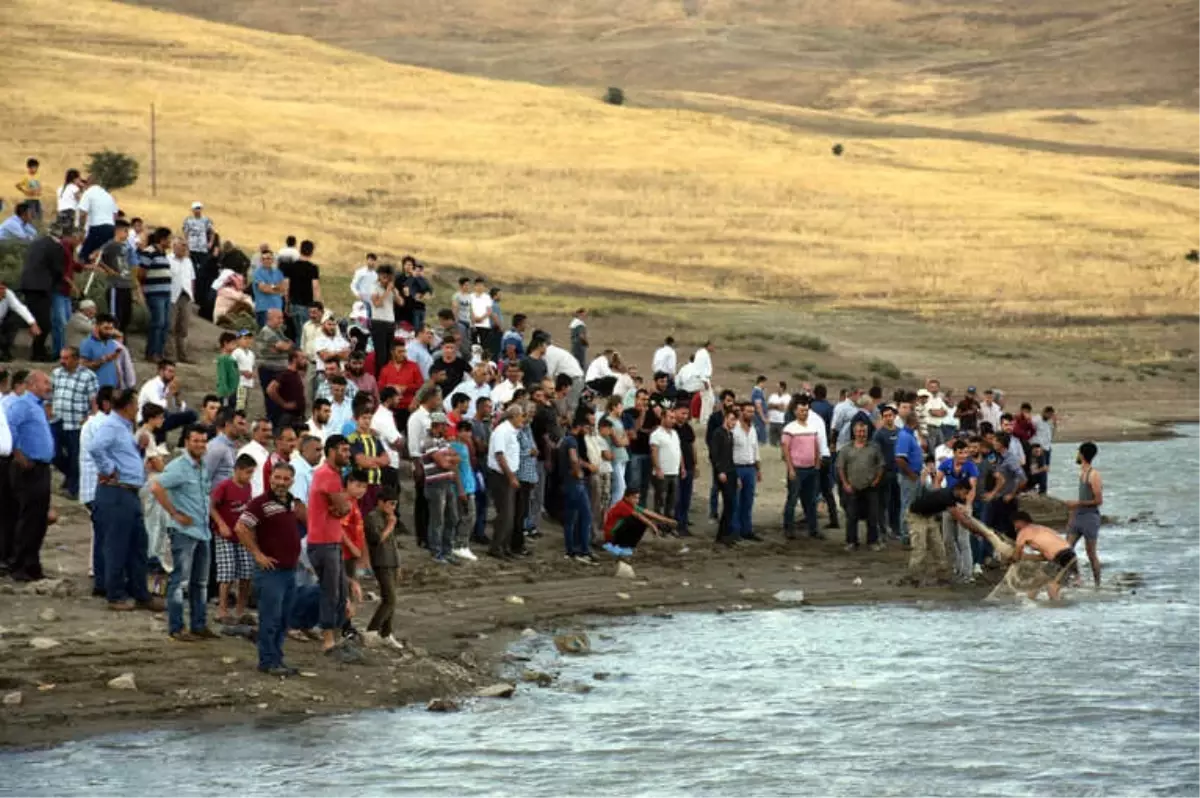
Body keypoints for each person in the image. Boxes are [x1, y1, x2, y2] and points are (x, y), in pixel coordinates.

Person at [88, 389, 165, 609]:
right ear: (127, 406)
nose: (137, 409)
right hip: (116, 492)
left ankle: (140, 592)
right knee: (117, 544)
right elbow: (96, 448)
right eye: (135, 404)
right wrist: (108, 468)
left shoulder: (124, 428)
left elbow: (124, 456)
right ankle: (115, 594)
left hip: (129, 491)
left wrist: (139, 450)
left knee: (138, 543)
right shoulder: (112, 426)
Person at [235, 461, 304, 676]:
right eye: (277, 478)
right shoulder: (260, 503)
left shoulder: (292, 503)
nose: (281, 483)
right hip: (271, 572)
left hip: (289, 569)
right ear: (270, 478)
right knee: (270, 617)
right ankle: (267, 661)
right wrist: (257, 554)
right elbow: (241, 527)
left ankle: (277, 658)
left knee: (283, 618)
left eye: (286, 479)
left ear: (292, 481)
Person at [152, 426, 214, 641]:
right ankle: (176, 627)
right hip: (184, 532)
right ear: (187, 442)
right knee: (180, 581)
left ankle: (198, 624)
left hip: (202, 530)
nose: (200, 445)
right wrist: (174, 513)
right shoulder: (179, 466)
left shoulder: (202, 466)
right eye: (196, 441)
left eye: (203, 441)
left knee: (200, 582)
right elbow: (156, 486)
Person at [307, 435, 356, 659]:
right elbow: (343, 508)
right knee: (330, 591)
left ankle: (333, 635)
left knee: (339, 591)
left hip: (330, 540)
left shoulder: (332, 475)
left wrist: (341, 506)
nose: (347, 454)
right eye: (343, 450)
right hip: (323, 542)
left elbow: (341, 507)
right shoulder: (327, 475)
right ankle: (327, 639)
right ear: (331, 451)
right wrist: (342, 505)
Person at [3, 371, 55, 581]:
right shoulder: (22, 404)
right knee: (28, 518)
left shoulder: (37, 406)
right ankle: (20, 565)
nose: (49, 387)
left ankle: (32, 564)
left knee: (38, 519)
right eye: (45, 383)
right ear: (32, 384)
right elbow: (8, 428)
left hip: (41, 468)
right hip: (28, 469)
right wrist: (18, 453)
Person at [210, 453, 257, 625]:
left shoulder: (248, 487)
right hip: (225, 535)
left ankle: (240, 609)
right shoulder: (225, 486)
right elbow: (212, 506)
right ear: (237, 470)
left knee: (246, 572)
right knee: (227, 571)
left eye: (251, 473)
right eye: (247, 472)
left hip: (241, 534)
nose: (249, 476)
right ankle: (222, 609)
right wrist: (221, 524)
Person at [50, 346, 98, 500]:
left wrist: (91, 417)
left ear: (76, 359)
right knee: (53, 453)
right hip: (57, 420)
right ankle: (71, 476)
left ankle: (73, 488)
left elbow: (94, 400)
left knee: (75, 456)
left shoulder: (88, 376)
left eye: (66, 358)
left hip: (77, 422)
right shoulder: (56, 374)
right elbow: (51, 394)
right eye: (61, 358)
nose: (62, 361)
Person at [781, 395, 830, 541]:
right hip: (797, 468)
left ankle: (813, 529)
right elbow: (786, 450)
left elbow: (816, 446)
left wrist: (816, 464)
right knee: (793, 499)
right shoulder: (790, 428)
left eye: (806, 410)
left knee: (811, 500)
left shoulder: (812, 427)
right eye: (802, 410)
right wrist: (790, 468)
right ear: (795, 411)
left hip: (811, 469)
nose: (805, 413)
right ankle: (788, 528)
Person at [18, 225, 68, 362]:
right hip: (41, 287)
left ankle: (38, 351)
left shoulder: (37, 243)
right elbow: (58, 269)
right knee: (44, 323)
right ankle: (37, 352)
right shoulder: (56, 247)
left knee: (36, 319)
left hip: (28, 284)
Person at [363, 486, 405, 650]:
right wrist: (390, 525)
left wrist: (399, 564)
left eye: (395, 504)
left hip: (392, 561)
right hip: (381, 562)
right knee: (390, 599)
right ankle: (372, 630)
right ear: (380, 502)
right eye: (390, 504)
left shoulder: (389, 517)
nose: (392, 508)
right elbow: (376, 539)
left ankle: (386, 633)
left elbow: (393, 544)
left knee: (392, 600)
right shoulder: (373, 517)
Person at [837, 418, 885, 551]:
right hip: (852, 488)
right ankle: (851, 542)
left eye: (864, 431)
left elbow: (881, 465)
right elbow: (840, 468)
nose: (861, 434)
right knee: (851, 516)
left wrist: (876, 480)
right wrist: (845, 484)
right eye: (859, 431)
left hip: (870, 488)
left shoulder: (874, 448)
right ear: (854, 432)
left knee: (872, 516)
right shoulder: (846, 449)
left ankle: (873, 542)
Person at [935, 439, 979, 582]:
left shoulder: (971, 467)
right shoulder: (946, 464)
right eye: (960, 453)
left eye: (966, 452)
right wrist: (940, 498)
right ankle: (956, 566)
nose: (964, 456)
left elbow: (972, 488)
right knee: (947, 539)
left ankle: (967, 573)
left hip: (964, 505)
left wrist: (967, 506)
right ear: (954, 453)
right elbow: (937, 481)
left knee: (963, 540)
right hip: (948, 504)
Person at [1010, 511, 1078, 600]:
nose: (1014, 526)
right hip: (1068, 556)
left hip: (1062, 557)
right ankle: (1030, 605)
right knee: (1036, 583)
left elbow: (1016, 556)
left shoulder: (1023, 532)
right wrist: (1027, 556)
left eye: (1015, 523)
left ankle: (1057, 610)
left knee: (1051, 588)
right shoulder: (1040, 528)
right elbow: (1046, 556)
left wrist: (1012, 558)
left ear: (1021, 521)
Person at [422, 412, 461, 564]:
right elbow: (444, 463)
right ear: (439, 425)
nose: (447, 429)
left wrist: (447, 459)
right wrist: (449, 459)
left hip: (446, 482)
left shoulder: (442, 442)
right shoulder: (428, 442)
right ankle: (437, 552)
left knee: (452, 517)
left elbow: (456, 458)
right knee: (437, 520)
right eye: (445, 425)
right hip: (435, 484)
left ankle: (447, 550)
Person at [559, 410, 598, 563]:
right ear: (580, 426)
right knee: (586, 516)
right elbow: (574, 459)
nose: (588, 430)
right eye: (587, 427)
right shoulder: (572, 441)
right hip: (574, 484)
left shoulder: (565, 439)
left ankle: (570, 551)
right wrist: (579, 473)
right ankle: (584, 550)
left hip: (566, 483)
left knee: (569, 520)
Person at [487, 405, 524, 559]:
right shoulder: (502, 431)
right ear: (513, 416)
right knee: (505, 514)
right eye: (521, 416)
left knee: (510, 514)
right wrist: (511, 476)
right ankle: (496, 547)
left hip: (508, 474)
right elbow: (500, 456)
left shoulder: (511, 431)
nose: (523, 419)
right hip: (501, 476)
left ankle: (504, 546)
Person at [1065, 441, 1103, 587]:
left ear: (1081, 454)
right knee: (1066, 550)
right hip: (1078, 516)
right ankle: (1075, 578)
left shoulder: (1094, 475)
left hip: (1090, 518)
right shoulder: (1082, 473)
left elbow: (1098, 500)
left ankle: (1097, 585)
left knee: (1091, 554)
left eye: (1078, 452)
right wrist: (1072, 515)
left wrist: (1077, 504)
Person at [137, 360, 199, 442]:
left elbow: (177, 409)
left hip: (160, 417)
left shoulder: (167, 386)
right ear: (161, 372)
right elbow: (159, 407)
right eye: (170, 371)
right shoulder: (151, 386)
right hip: (146, 420)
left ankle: (182, 444)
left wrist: (176, 395)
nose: (172, 375)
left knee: (192, 414)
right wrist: (170, 393)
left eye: (173, 372)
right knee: (164, 415)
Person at [603, 487, 677, 555]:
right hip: (611, 536)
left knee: (641, 521)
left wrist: (667, 520)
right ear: (626, 497)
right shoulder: (622, 505)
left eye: (638, 498)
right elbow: (638, 516)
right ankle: (621, 545)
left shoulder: (630, 504)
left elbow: (648, 512)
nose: (637, 500)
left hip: (615, 533)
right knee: (636, 520)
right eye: (634, 498)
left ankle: (628, 545)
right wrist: (652, 526)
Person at [137, 227, 174, 362]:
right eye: (169, 239)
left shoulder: (163, 253)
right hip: (154, 292)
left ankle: (159, 352)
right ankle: (152, 353)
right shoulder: (149, 252)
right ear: (162, 239)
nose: (171, 242)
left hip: (165, 292)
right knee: (158, 322)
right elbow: (141, 272)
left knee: (165, 324)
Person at [731, 402, 762, 541]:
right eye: (748, 411)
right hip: (737, 467)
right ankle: (735, 530)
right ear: (741, 412)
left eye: (753, 411)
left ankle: (747, 529)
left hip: (750, 468)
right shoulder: (734, 429)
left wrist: (758, 469)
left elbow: (756, 449)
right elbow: (729, 452)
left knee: (748, 500)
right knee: (735, 501)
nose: (751, 414)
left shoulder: (753, 429)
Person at [282, 240, 321, 343]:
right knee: (305, 335)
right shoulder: (313, 268)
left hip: (293, 304)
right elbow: (315, 287)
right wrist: (318, 305)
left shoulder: (290, 267)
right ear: (312, 252)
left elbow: (286, 286)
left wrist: (286, 303)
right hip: (307, 306)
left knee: (296, 334)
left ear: (300, 250)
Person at [648, 406, 683, 520]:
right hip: (663, 472)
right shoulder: (656, 434)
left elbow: (678, 450)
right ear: (663, 417)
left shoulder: (675, 433)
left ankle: (668, 525)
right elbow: (654, 452)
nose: (673, 420)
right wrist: (657, 469)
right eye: (670, 417)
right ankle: (659, 525)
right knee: (660, 501)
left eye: (674, 418)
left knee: (672, 501)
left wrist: (682, 467)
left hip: (674, 471)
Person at [709, 409, 738, 545]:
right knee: (728, 502)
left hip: (731, 471)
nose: (733, 422)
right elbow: (714, 454)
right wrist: (720, 471)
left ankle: (726, 533)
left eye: (735, 420)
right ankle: (721, 535)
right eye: (732, 419)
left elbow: (730, 457)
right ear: (726, 418)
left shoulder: (729, 434)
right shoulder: (718, 433)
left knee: (731, 504)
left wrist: (736, 476)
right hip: (723, 472)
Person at [166, 237, 196, 362]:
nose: (184, 248)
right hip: (172, 295)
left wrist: (192, 293)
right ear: (174, 246)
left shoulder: (188, 261)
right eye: (181, 245)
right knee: (170, 326)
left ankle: (182, 355)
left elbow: (192, 279)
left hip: (186, 295)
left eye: (185, 245)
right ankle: (169, 355)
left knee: (183, 328)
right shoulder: (168, 259)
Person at [264, 344, 305, 431]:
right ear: (294, 359)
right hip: (288, 418)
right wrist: (283, 404)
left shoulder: (295, 374)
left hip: (297, 417)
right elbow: (270, 389)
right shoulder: (286, 374)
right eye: (302, 358)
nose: (304, 361)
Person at [0, 282, 39, 363]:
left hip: (3, 320)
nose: (3, 291)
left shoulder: (7, 293)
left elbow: (19, 307)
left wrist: (33, 323)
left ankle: (5, 351)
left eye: (3, 288)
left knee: (14, 319)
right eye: (0, 289)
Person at [251, 249, 287, 328]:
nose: (265, 261)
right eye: (263, 259)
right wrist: (275, 287)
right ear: (261, 260)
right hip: (263, 309)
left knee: (277, 335)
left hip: (277, 309)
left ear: (272, 259)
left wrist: (270, 286)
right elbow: (263, 289)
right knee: (265, 336)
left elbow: (283, 288)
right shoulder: (257, 273)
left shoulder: (278, 272)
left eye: (268, 258)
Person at [238, 418, 274, 497]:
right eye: (264, 430)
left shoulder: (266, 453)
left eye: (270, 430)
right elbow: (240, 481)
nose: (268, 434)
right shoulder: (247, 452)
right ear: (254, 432)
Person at [216, 331, 240, 410]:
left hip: (234, 392)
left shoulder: (231, 358)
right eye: (233, 343)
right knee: (227, 414)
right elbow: (222, 377)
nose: (236, 346)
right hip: (227, 394)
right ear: (226, 343)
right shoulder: (223, 359)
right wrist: (226, 395)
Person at [766, 381, 788, 447]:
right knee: (772, 442)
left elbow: (784, 408)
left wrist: (773, 406)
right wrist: (778, 406)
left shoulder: (788, 397)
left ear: (782, 388)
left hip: (782, 422)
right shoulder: (772, 396)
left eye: (778, 387)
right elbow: (768, 406)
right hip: (772, 421)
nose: (776, 388)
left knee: (782, 441)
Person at [750, 376, 769, 445]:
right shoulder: (757, 392)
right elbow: (758, 406)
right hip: (758, 418)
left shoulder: (760, 392)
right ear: (761, 382)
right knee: (760, 438)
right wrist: (763, 418)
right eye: (765, 383)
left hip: (759, 418)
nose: (766, 385)